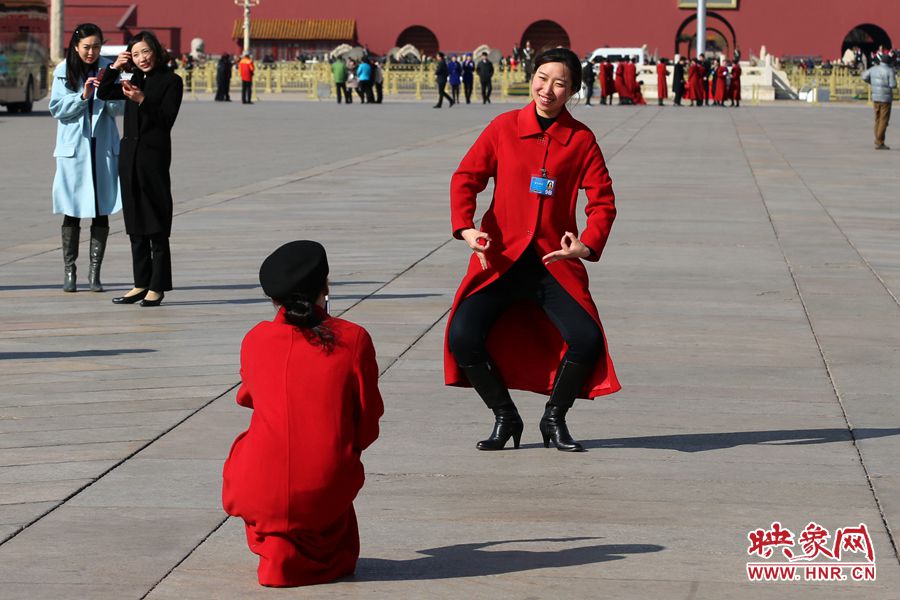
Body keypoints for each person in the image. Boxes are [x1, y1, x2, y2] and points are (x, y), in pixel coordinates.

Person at [445, 47, 621, 453]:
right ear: (532, 78)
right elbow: (466, 177)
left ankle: (554, 417)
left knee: (587, 338)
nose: (547, 89)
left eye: (560, 83)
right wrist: (467, 229)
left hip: (552, 263)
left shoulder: (581, 140)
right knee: (463, 336)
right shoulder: (503, 127)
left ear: (573, 91)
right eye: (542, 78)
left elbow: (603, 200)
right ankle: (505, 416)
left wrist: (586, 244)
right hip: (500, 259)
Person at [223, 240, 383, 587]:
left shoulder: (255, 339)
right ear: (325, 287)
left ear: (273, 298)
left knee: (252, 447)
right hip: (323, 487)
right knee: (326, 467)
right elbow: (367, 424)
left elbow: (249, 396)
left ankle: (280, 545)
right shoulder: (353, 338)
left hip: (258, 487)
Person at [98, 30, 183, 307]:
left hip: (153, 158)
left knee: (155, 222)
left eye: (145, 51)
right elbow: (104, 92)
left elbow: (166, 120)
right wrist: (114, 67)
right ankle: (140, 283)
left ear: (156, 51)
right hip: (129, 158)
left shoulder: (171, 81)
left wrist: (142, 100)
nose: (142, 58)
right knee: (135, 223)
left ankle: (157, 286)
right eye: (135, 54)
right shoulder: (133, 79)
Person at [49, 23, 123, 293]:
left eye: (96, 47)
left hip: (101, 147)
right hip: (74, 149)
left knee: (101, 210)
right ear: (76, 46)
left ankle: (95, 273)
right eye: (86, 47)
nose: (91, 52)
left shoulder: (109, 69)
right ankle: (70, 271)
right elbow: (57, 109)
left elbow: (117, 108)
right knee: (72, 211)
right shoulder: (63, 71)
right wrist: (83, 96)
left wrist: (108, 88)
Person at [862, 53, 898, 150]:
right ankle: (879, 140)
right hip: (885, 99)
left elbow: (864, 76)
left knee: (877, 119)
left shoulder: (873, 69)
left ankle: (879, 140)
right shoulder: (889, 70)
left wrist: (872, 83)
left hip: (875, 97)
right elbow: (893, 85)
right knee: (884, 120)